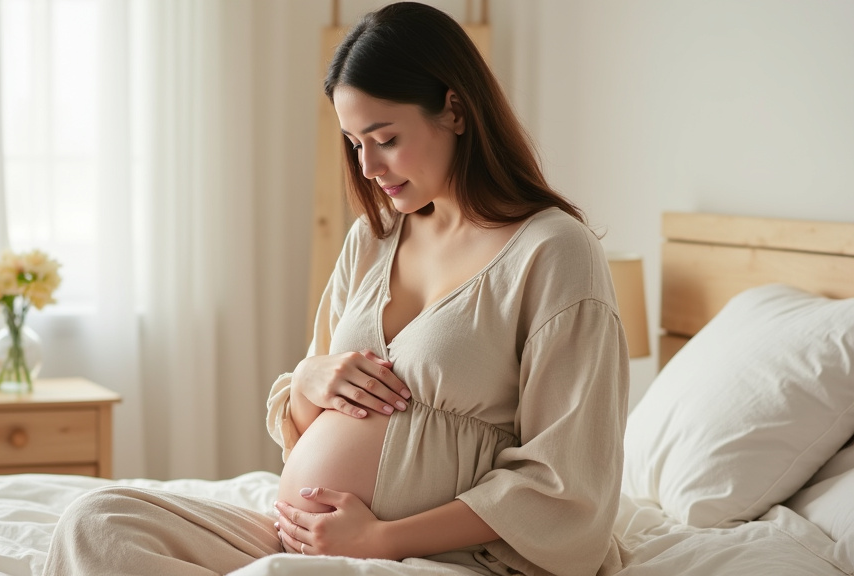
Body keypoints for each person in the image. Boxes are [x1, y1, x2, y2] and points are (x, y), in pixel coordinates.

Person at [43, 3, 628, 576]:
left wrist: (382, 539)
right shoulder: (373, 238)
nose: (368, 166)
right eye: (354, 143)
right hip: (302, 537)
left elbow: (565, 482)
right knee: (96, 524)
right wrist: (306, 381)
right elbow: (305, 437)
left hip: (447, 553)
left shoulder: (553, 252)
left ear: (454, 110)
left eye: (385, 138)